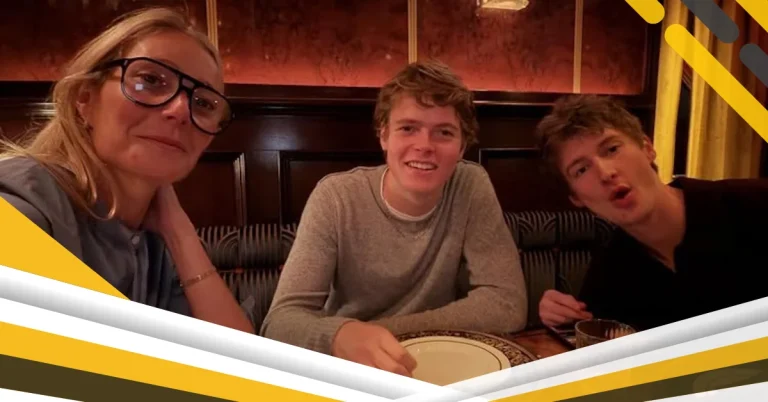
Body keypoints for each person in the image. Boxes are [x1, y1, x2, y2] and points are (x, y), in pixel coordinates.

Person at [260, 60, 527, 376]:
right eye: (408, 128)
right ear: (384, 135)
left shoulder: (470, 185)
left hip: (440, 363)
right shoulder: (336, 197)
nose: (424, 146)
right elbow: (280, 323)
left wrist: (380, 332)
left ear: (461, 147)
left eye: (444, 132)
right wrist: (341, 336)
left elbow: (507, 304)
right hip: (351, 369)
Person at [0, 8, 254, 334]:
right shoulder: (25, 202)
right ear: (85, 99)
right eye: (150, 80)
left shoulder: (160, 243)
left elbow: (234, 354)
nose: (180, 109)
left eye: (203, 103)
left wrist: (181, 234)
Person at [535, 94, 768, 332]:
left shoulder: (754, 205)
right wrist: (561, 316)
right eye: (582, 170)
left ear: (647, 148)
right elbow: (596, 337)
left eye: (612, 149)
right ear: (576, 198)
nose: (605, 173)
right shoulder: (611, 271)